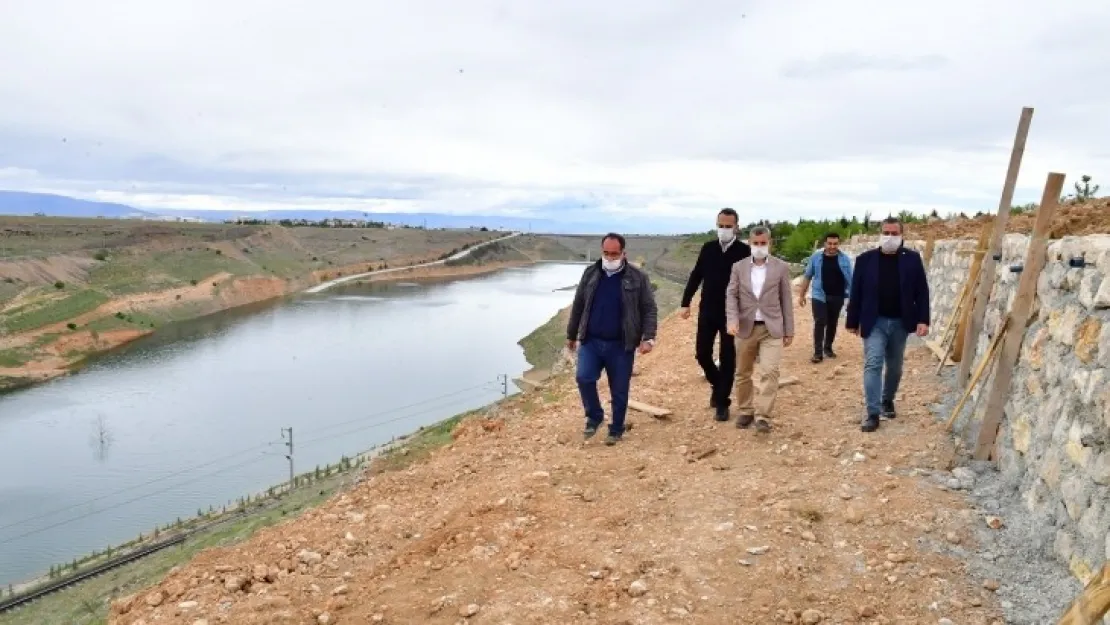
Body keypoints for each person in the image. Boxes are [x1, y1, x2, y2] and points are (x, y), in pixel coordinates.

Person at [566, 233, 659, 445]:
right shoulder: (590, 273)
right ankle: (595, 416)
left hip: (621, 344)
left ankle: (616, 429)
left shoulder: (637, 277)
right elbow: (579, 304)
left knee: (619, 389)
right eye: (606, 253)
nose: (609, 258)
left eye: (614, 254)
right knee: (584, 378)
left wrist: (648, 337)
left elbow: (649, 309)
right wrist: (572, 334)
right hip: (591, 341)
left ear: (623, 253)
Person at [845, 217, 930, 433]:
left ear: (902, 235)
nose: (889, 237)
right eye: (886, 232)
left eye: (894, 233)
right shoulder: (866, 260)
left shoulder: (912, 259)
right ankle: (872, 413)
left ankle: (887, 399)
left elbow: (922, 291)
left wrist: (923, 319)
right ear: (880, 234)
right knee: (873, 363)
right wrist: (852, 320)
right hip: (874, 322)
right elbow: (856, 291)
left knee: (895, 367)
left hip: (901, 321)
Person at [679, 208, 752, 421]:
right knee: (702, 353)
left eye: (728, 226)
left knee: (729, 358)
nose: (724, 230)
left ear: (736, 227)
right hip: (708, 310)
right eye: (721, 225)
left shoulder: (743, 252)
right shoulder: (708, 248)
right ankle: (718, 385)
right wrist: (685, 303)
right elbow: (696, 275)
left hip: (733, 314)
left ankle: (722, 402)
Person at [725, 226, 794, 433]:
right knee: (743, 372)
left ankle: (763, 416)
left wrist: (789, 329)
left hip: (771, 328)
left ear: (770, 243)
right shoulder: (738, 267)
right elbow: (731, 295)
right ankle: (745, 410)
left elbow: (786, 299)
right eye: (756, 243)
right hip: (745, 327)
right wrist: (732, 319)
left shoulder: (780, 267)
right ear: (749, 243)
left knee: (770, 372)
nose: (759, 247)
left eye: (763, 243)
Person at [798, 232, 853, 363]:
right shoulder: (816, 258)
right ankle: (817, 353)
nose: (832, 246)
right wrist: (801, 295)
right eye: (830, 243)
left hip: (838, 295)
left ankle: (828, 347)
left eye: (835, 244)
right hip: (819, 295)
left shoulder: (845, 259)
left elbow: (851, 280)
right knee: (820, 321)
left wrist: (852, 298)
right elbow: (807, 276)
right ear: (825, 244)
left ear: (838, 244)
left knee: (832, 323)